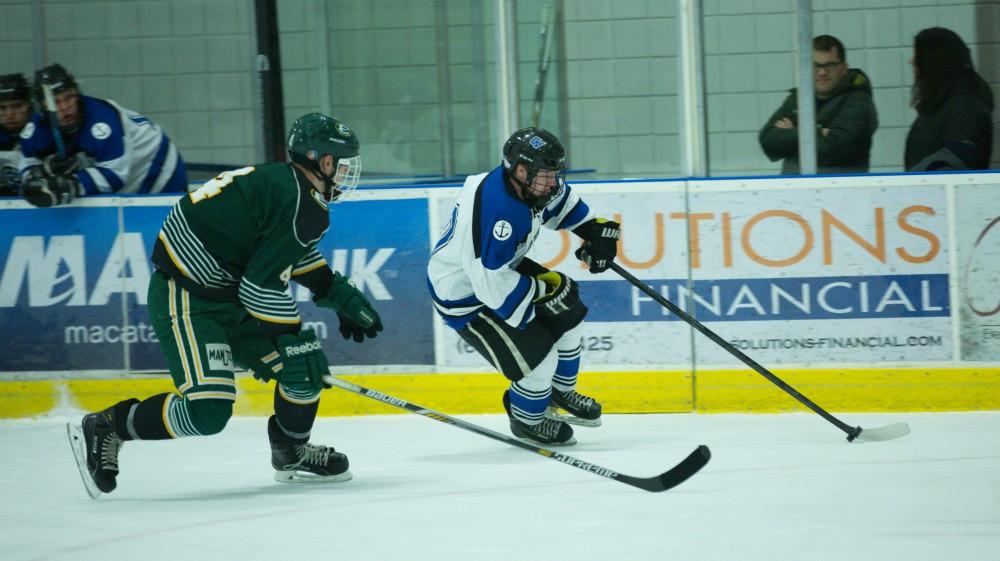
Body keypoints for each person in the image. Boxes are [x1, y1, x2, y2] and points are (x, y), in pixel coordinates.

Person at [66, 113, 383, 498]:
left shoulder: (283, 184)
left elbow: (278, 252)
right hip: (187, 298)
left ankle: (291, 453)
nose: (347, 173)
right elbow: (258, 287)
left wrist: (336, 292)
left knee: (302, 374)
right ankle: (110, 425)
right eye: (343, 162)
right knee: (208, 413)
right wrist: (293, 335)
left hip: (226, 291)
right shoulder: (303, 204)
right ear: (324, 161)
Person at [427, 127, 620, 446]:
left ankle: (560, 391)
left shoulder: (527, 185)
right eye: (545, 175)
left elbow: (563, 205)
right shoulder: (499, 215)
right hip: (465, 295)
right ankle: (528, 419)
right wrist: (540, 295)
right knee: (538, 355)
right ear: (518, 170)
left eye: (554, 173)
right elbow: (491, 286)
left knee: (568, 312)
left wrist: (595, 231)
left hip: (498, 268)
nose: (552, 182)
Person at [18, 63, 189, 207]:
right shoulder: (35, 129)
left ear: (77, 95)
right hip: (123, 182)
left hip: (158, 169)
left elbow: (115, 174)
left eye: (68, 97)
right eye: (55, 102)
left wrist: (70, 184)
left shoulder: (102, 119)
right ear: (42, 107)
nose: (64, 107)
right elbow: (27, 165)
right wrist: (41, 173)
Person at [759, 35, 878, 174]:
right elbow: (768, 141)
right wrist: (820, 132)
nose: (822, 72)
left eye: (830, 65)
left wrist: (793, 133)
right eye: (815, 66)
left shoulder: (858, 103)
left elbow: (836, 150)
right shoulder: (798, 99)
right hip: (794, 191)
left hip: (839, 192)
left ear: (844, 68)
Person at [905, 27, 994, 171]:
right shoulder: (939, 106)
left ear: (932, 61)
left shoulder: (965, 109)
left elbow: (951, 164)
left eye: (918, 55)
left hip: (939, 192)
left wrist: (913, 181)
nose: (911, 61)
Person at [0, 73, 33, 196]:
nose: (9, 114)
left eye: (17, 106)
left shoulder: (46, 134)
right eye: (2, 108)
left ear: (29, 105)